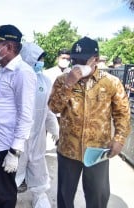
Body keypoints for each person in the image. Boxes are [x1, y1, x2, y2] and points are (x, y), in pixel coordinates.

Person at [48, 36, 131, 208]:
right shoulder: (63, 80)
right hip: (68, 150)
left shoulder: (111, 82)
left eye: (82, 59)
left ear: (96, 59)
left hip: (97, 151)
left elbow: (122, 113)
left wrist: (119, 139)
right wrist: (69, 84)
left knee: (98, 197)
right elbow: (54, 108)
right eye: (75, 59)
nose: (77, 63)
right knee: (65, 195)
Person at [0, 24, 37, 208]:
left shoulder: (23, 73)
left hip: (6, 145)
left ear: (10, 47)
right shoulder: (4, 70)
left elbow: (26, 115)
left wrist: (14, 151)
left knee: (5, 193)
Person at [16, 42, 59, 208]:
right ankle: (4, 198)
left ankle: (39, 196)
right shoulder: (16, 78)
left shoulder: (45, 81)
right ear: (29, 59)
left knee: (38, 166)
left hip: (38, 136)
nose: (42, 62)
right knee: (14, 168)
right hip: (18, 136)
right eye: (39, 59)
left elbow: (48, 111)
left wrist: (56, 132)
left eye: (42, 59)